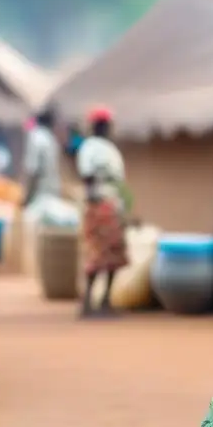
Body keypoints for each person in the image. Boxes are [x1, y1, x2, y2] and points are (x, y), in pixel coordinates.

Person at [75, 107, 129, 317]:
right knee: (98, 253)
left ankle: (105, 300)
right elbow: (87, 175)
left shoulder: (108, 149)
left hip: (112, 203)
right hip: (100, 203)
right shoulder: (91, 148)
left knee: (114, 253)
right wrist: (95, 200)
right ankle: (88, 302)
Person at [21, 108, 61, 207]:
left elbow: (33, 171)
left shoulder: (36, 137)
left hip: (39, 198)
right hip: (53, 195)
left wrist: (26, 198)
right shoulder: (51, 139)